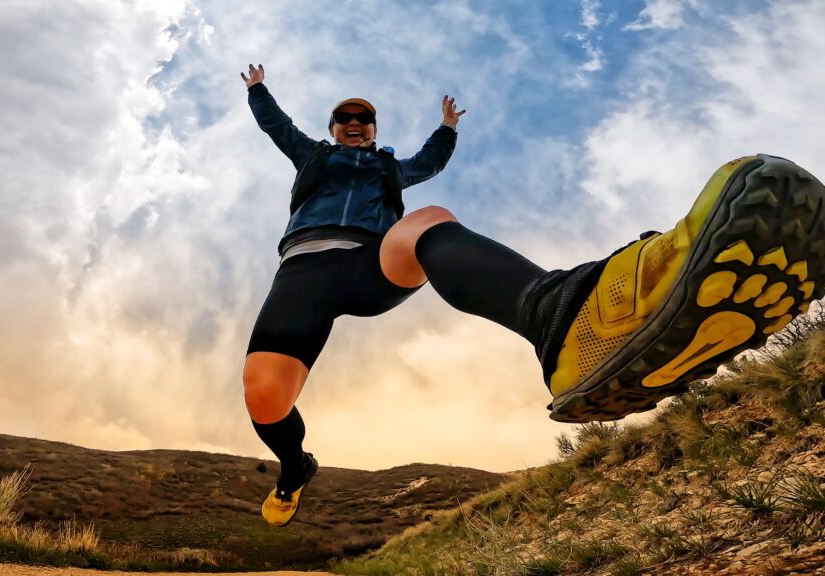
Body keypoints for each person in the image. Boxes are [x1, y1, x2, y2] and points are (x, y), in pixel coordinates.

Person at [240, 63, 825, 528]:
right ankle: (295, 468)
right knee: (264, 397)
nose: (355, 123)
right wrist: (260, 92)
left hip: (372, 261)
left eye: (364, 118)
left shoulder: (391, 169)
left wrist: (447, 128)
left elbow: (429, 162)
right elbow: (277, 127)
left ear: (374, 128)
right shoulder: (312, 154)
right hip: (303, 270)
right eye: (346, 117)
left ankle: (565, 318)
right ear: (333, 125)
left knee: (428, 219)